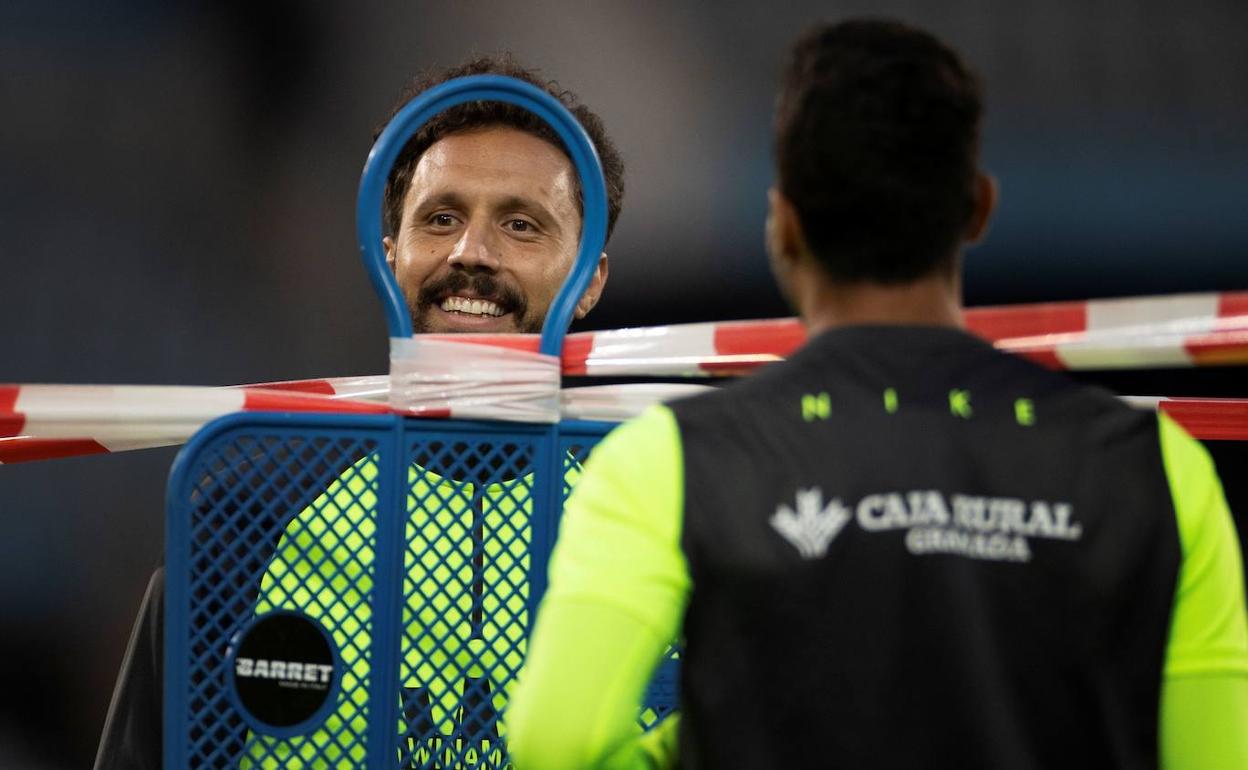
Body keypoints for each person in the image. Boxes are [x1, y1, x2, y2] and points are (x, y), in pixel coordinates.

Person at [505, 18, 1248, 769]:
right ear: (979, 210)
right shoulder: (1160, 471)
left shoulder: (666, 461)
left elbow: (555, 745)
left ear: (783, 226)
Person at [94, 54, 625, 770]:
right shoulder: (247, 512)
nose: (472, 253)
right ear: (389, 251)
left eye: (522, 226)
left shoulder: (654, 514)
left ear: (590, 278)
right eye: (440, 218)